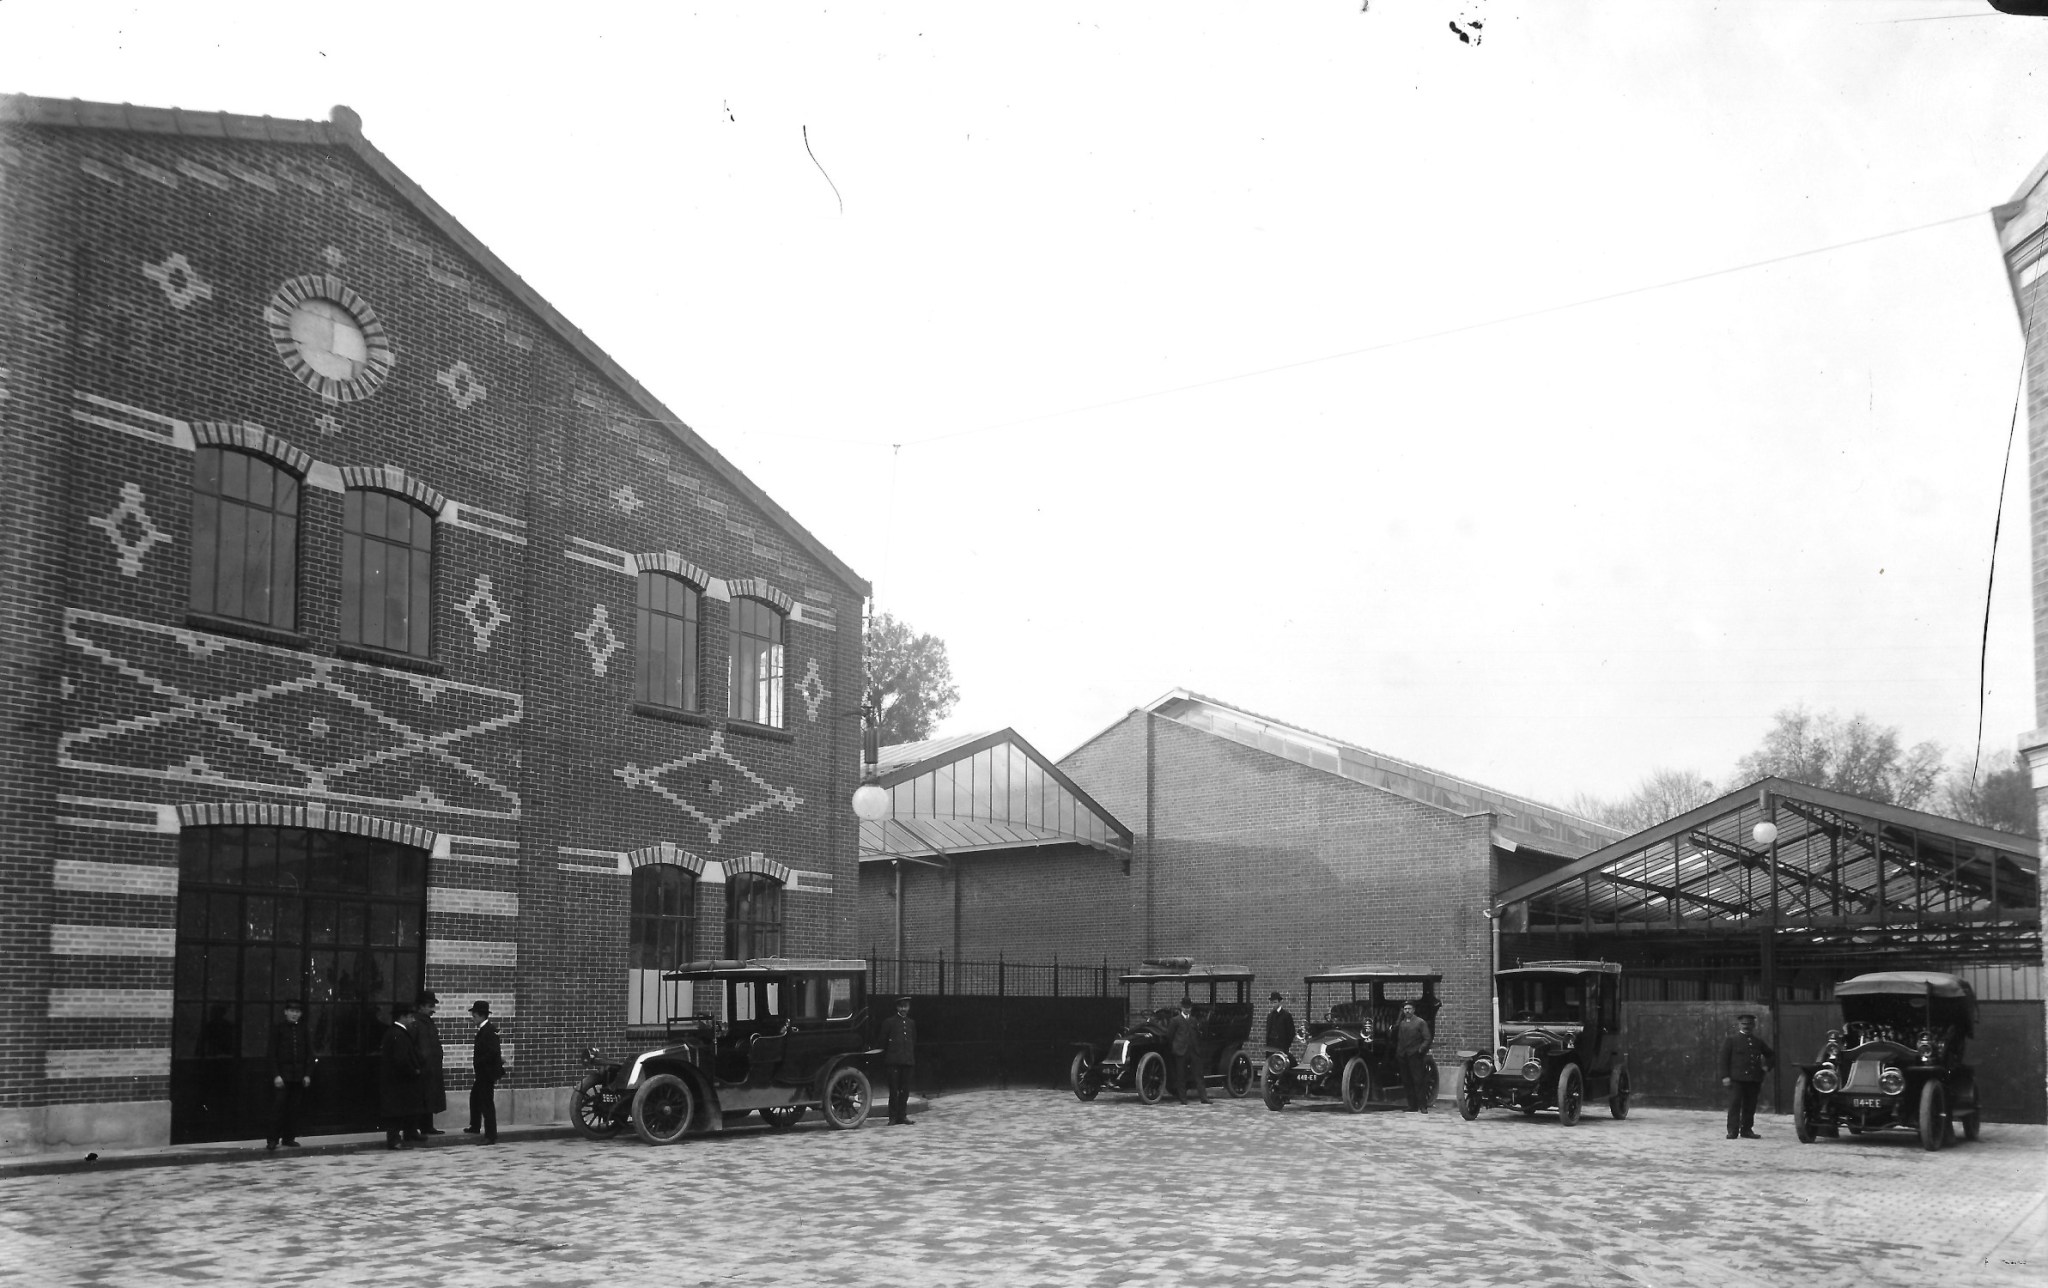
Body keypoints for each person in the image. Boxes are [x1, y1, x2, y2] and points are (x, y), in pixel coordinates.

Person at [266, 998, 314, 1151]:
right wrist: (276, 1075)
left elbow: (309, 1054)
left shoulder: (303, 1029)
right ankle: (272, 1139)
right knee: (278, 1108)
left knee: (294, 1109)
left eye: (297, 1012)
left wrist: (307, 1074)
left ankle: (289, 1138)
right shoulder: (278, 1028)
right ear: (285, 1012)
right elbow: (271, 1054)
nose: (294, 1014)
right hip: (282, 1076)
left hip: (298, 1076)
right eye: (292, 1011)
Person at [1720, 1013, 1775, 1140]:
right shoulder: (1731, 1040)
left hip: (1754, 1079)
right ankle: (1732, 1131)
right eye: (1744, 1024)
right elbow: (1723, 1060)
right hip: (1736, 1079)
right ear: (1739, 1025)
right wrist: (1725, 1076)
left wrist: (1766, 1067)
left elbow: (1771, 1055)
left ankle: (1746, 1130)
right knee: (1735, 1104)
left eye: (1749, 1024)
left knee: (1750, 1105)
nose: (1746, 1027)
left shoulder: (1758, 1042)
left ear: (1754, 1025)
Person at [379, 1002, 423, 1149]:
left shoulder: (397, 1032)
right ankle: (394, 1140)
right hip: (398, 1080)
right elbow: (401, 1059)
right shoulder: (398, 1034)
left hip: (397, 1080)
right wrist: (413, 1070)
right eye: (410, 1016)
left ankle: (407, 1134)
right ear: (402, 1017)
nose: (412, 1020)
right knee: (396, 1112)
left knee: (402, 1109)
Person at [465, 1000, 505, 1144]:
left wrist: (480, 1061)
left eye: (474, 1015)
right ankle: (475, 1126)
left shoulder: (489, 1030)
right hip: (482, 1073)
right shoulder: (484, 1029)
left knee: (486, 1103)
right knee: (475, 1097)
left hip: (486, 1073)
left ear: (481, 1016)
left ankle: (490, 1135)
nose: (472, 1018)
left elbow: (493, 1052)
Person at [880, 996, 917, 1125]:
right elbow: (883, 1042)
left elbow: (913, 1041)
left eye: (906, 1006)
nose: (903, 1009)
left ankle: (902, 1115)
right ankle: (893, 1117)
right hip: (893, 1062)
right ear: (897, 1007)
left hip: (907, 1061)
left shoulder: (911, 1023)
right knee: (894, 1090)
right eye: (901, 1006)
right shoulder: (889, 1022)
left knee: (905, 1090)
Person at [1393, 1001, 1434, 1112]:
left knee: (1418, 1080)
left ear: (1414, 1010)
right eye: (1405, 1009)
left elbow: (1427, 1038)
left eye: (1409, 1008)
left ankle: (1422, 1106)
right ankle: (1412, 1105)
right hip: (1403, 1055)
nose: (1407, 1011)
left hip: (1415, 1055)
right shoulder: (1401, 1023)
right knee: (1407, 1081)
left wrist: (1420, 1050)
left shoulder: (1420, 1022)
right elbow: (1396, 1035)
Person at [415, 992, 447, 1136]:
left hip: (432, 1067)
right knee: (423, 1097)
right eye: (429, 1006)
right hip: (424, 1067)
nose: (432, 1010)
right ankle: (421, 1126)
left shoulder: (427, 1022)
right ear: (421, 1007)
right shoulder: (417, 1023)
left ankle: (428, 1126)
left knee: (429, 1097)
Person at [1170, 996, 1210, 1104]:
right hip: (1181, 1051)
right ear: (1181, 1008)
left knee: (1198, 1075)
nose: (1187, 1009)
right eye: (1185, 1007)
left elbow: (1197, 1034)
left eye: (1188, 1007)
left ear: (1191, 1008)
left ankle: (1204, 1098)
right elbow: (1170, 1035)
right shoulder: (1175, 1021)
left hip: (1193, 1050)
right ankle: (1183, 1099)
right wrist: (1176, 1047)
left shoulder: (1193, 1020)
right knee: (1181, 1075)